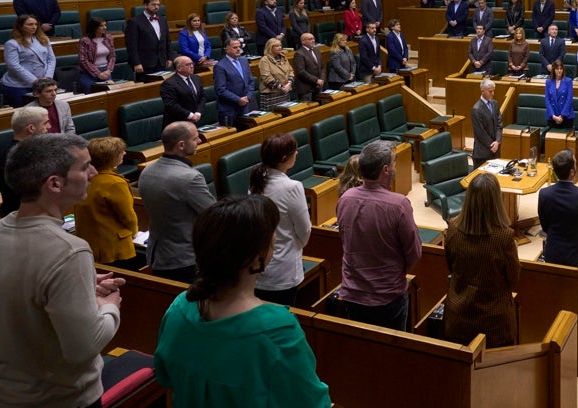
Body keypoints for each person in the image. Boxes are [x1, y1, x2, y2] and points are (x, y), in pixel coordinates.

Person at [0, 133, 123, 408]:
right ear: (55, 183)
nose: (94, 172)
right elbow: (83, 348)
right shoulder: (69, 251)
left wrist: (78, 288)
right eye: (85, 167)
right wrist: (108, 306)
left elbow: (20, 297)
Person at [154, 195, 331, 407]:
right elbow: (311, 402)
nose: (275, 236)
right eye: (272, 234)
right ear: (257, 258)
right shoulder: (277, 332)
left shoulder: (179, 307)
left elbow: (165, 375)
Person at [335, 139, 422, 331]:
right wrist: (393, 273)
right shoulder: (399, 204)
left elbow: (346, 241)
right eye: (393, 163)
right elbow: (414, 252)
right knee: (391, 355)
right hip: (387, 297)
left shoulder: (345, 199)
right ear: (385, 170)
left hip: (352, 294)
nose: (395, 166)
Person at [443, 174, 520, 347]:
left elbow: (450, 266)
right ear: (496, 200)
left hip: (458, 317)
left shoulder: (453, 228)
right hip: (493, 325)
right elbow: (513, 280)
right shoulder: (504, 237)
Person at [138, 122, 216, 282]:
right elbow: (213, 215)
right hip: (185, 259)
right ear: (181, 145)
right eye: (195, 139)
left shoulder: (147, 171)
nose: (199, 141)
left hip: (158, 256)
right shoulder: (190, 178)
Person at [249, 133, 312, 305]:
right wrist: (295, 245)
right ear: (284, 157)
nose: (297, 153)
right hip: (283, 270)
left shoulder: (256, 180)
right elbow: (304, 230)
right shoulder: (292, 187)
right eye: (294, 151)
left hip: (259, 267)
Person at [73, 136, 142, 270]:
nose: (125, 153)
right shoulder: (114, 183)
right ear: (112, 157)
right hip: (113, 248)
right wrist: (134, 232)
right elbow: (128, 216)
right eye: (121, 151)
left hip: (89, 243)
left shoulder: (84, 178)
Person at [538, 149, 578, 267]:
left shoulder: (544, 194)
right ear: (572, 172)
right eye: (575, 164)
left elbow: (545, 225)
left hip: (553, 254)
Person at [0, 105, 50, 216]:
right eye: (45, 123)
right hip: (24, 220)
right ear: (31, 128)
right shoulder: (17, 157)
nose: (49, 126)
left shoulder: (31, 150)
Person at [1, 14, 56, 107]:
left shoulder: (43, 39)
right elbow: (13, 66)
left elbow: (51, 59)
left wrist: (47, 78)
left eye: (35, 24)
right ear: (20, 26)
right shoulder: (12, 44)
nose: (34, 27)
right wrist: (35, 81)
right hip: (19, 85)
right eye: (30, 24)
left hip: (42, 84)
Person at [125, 0, 170, 77]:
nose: (156, 7)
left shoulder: (162, 19)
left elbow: (167, 40)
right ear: (145, 5)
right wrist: (136, 63)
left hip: (161, 62)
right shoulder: (134, 21)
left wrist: (169, 57)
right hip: (144, 64)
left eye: (158, 5)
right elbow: (131, 45)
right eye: (153, 4)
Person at [214, 37, 255, 126]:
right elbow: (220, 90)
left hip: (246, 106)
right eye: (235, 47)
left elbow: (251, 82)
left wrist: (248, 97)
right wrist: (238, 100)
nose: (238, 49)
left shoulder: (244, 61)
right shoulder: (220, 66)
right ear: (226, 49)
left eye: (239, 47)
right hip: (229, 109)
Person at [78, 15, 116, 93]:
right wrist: (98, 73)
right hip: (88, 73)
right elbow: (83, 60)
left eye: (105, 25)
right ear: (94, 27)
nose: (105, 27)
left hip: (106, 71)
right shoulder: (85, 41)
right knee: (91, 95)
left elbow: (112, 56)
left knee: (109, 93)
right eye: (101, 26)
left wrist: (109, 70)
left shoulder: (108, 38)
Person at [544, 60, 574, 150]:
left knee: (566, 145)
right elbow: (547, 100)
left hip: (566, 118)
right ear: (553, 70)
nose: (559, 71)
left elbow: (569, 100)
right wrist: (553, 116)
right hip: (552, 117)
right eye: (557, 69)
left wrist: (562, 116)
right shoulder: (549, 82)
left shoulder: (568, 81)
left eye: (561, 69)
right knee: (553, 144)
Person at [471, 78, 502, 166]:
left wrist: (497, 141)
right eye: (490, 91)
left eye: (493, 91)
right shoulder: (476, 109)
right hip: (483, 152)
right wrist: (492, 145)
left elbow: (499, 124)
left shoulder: (495, 104)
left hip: (495, 150)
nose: (493, 94)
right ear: (482, 91)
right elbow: (480, 132)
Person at [259, 37, 295, 108]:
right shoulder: (264, 60)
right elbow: (267, 77)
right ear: (270, 47)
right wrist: (281, 87)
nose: (280, 47)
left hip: (285, 92)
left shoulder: (283, 57)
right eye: (277, 46)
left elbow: (290, 71)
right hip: (271, 95)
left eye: (280, 45)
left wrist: (289, 84)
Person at [292, 31, 324, 101]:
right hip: (306, 89)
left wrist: (321, 80)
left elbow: (322, 67)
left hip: (317, 87)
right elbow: (301, 71)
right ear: (303, 42)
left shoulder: (316, 51)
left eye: (313, 39)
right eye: (310, 39)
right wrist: (316, 80)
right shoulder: (299, 54)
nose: (313, 40)